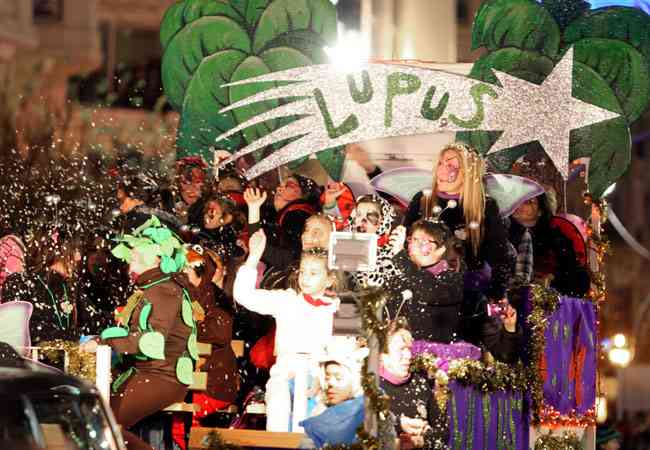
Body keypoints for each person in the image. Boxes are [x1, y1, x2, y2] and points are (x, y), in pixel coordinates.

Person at [82, 216, 196, 450]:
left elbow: (152, 341)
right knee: (92, 415)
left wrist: (105, 342)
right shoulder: (152, 288)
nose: (131, 256)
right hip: (143, 372)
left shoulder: (164, 290)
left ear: (157, 258)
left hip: (163, 377)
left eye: (137, 251)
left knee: (104, 423)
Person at [233, 229, 339, 432]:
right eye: (303, 272)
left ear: (329, 280)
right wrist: (253, 258)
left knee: (310, 430)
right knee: (278, 419)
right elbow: (244, 295)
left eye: (313, 273)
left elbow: (341, 349)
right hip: (284, 373)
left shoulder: (336, 308)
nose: (305, 278)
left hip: (319, 378)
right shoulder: (287, 300)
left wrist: (323, 377)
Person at [384, 221, 521, 364]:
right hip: (399, 366)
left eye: (453, 262)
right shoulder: (398, 281)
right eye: (414, 240)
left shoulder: (466, 296)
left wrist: (510, 328)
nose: (417, 246)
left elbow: (505, 354)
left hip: (444, 369)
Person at [404, 143, 513, 303]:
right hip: (423, 291)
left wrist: (496, 296)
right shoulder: (422, 200)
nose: (442, 170)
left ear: (468, 173)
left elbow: (499, 256)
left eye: (451, 165)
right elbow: (405, 245)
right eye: (440, 163)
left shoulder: (485, 206)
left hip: (468, 295)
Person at [182, 245, 238, 423]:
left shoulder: (215, 297)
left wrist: (188, 326)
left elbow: (220, 333)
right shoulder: (182, 295)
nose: (181, 273)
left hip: (211, 383)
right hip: (189, 380)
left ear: (200, 272)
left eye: (186, 268)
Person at [2, 231, 83, 344]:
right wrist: (74, 337)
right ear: (55, 251)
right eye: (73, 249)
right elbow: (24, 331)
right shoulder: (20, 283)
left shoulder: (70, 287)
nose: (78, 257)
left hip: (65, 353)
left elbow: (93, 321)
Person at [509, 190, 590, 297]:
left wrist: (550, 280)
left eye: (528, 202)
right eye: (518, 200)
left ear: (540, 211)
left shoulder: (554, 236)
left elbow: (576, 276)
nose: (519, 205)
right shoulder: (504, 229)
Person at [379, 320, 446, 449]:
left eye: (409, 349)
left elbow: (442, 430)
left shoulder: (420, 383)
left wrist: (424, 439)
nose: (408, 355)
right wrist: (398, 427)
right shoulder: (372, 388)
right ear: (383, 356)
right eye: (401, 349)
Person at [244, 174, 321, 268]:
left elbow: (288, 259)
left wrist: (258, 247)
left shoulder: (297, 215)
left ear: (305, 193)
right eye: (279, 186)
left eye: (289, 185)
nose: (278, 189)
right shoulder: (286, 216)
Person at [350, 194, 400, 288]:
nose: (362, 221)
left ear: (384, 221)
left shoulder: (395, 254)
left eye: (371, 216)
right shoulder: (346, 245)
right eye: (359, 215)